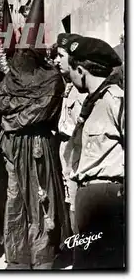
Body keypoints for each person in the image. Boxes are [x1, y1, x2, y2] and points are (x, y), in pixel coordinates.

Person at [0, 47, 71, 269]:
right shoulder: (12, 77)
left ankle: (42, 256)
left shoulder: (52, 79)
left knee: (40, 198)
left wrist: (12, 116)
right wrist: (25, 102)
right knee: (15, 198)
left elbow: (40, 111)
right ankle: (18, 257)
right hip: (13, 149)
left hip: (38, 147)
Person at [65, 36, 124, 269]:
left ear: (80, 70)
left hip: (107, 198)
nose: (69, 77)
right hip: (88, 197)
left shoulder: (114, 100)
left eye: (70, 69)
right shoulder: (92, 103)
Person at [53, 34, 85, 232]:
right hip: (67, 150)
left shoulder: (82, 90)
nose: (56, 60)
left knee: (77, 204)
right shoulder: (67, 85)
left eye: (60, 55)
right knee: (70, 200)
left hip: (78, 152)